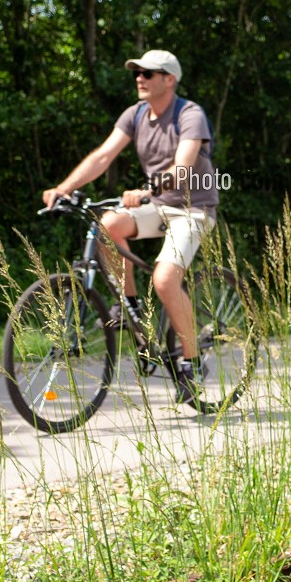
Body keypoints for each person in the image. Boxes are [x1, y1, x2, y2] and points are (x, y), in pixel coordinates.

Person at [41, 49, 220, 403]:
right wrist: (64, 189)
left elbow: (183, 166)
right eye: (136, 72)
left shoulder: (189, 114)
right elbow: (103, 155)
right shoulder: (136, 114)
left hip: (192, 207)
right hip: (157, 204)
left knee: (166, 279)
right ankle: (130, 305)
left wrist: (148, 189)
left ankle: (192, 362)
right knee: (107, 224)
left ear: (169, 79)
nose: (140, 77)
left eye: (148, 73)